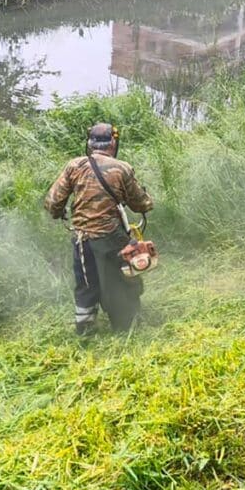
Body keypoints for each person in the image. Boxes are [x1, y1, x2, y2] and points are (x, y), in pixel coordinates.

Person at [44, 123, 154, 335]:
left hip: (81, 239)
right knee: (122, 278)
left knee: (86, 283)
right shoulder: (122, 168)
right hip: (112, 238)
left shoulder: (73, 166)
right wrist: (146, 202)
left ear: (89, 144)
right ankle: (125, 325)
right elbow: (141, 204)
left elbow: (52, 201)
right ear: (113, 143)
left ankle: (85, 329)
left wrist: (60, 213)